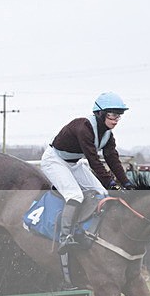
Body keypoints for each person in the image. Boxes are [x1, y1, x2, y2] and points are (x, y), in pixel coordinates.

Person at [40, 92, 136, 255]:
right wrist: (112, 184)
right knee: (75, 195)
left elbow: (113, 159)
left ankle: (91, 231)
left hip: (74, 163)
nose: (115, 120)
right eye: (112, 115)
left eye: (118, 116)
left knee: (102, 193)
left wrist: (126, 183)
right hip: (54, 161)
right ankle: (65, 237)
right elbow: (94, 161)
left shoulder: (108, 135)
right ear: (100, 113)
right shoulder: (84, 127)